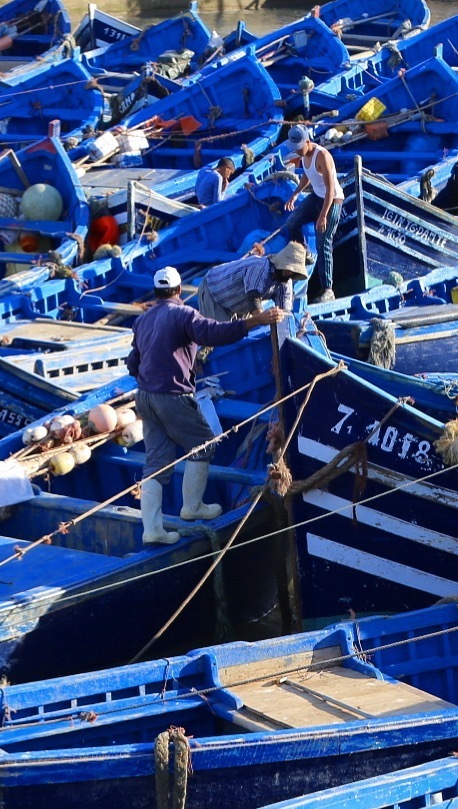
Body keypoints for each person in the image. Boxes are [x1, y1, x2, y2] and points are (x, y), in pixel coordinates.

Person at [128, 266, 287, 545]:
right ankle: (192, 507)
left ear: (157, 292)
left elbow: (133, 363)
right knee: (203, 444)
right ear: (179, 291)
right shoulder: (183, 314)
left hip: (145, 396)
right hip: (171, 396)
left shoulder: (142, 321)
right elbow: (214, 333)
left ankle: (152, 529)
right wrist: (257, 320)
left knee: (155, 463)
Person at [279, 125, 343, 303]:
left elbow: (331, 190)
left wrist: (323, 215)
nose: (297, 151)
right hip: (316, 196)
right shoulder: (303, 155)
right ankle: (305, 253)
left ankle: (328, 289)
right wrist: (295, 194)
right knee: (292, 223)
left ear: (308, 141)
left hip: (332, 201)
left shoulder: (322, 156)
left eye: (299, 147)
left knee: (323, 244)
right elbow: (307, 175)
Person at [196, 242, 309, 321]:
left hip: (238, 303)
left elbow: (285, 312)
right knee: (218, 337)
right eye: (288, 269)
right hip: (214, 291)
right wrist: (264, 320)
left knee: (239, 336)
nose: (289, 273)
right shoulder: (260, 267)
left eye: (292, 272)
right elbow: (253, 299)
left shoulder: (285, 283)